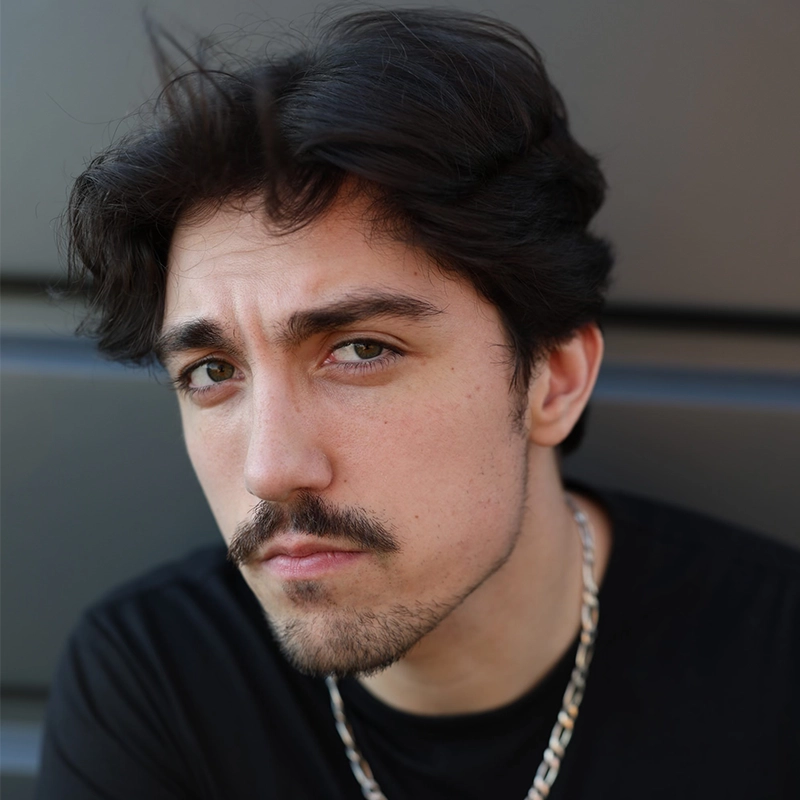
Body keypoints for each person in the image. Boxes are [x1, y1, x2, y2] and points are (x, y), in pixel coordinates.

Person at [37, 8, 799, 799]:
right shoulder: (154, 677)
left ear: (555, 376)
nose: (271, 469)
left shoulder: (777, 667)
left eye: (361, 351)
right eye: (210, 372)